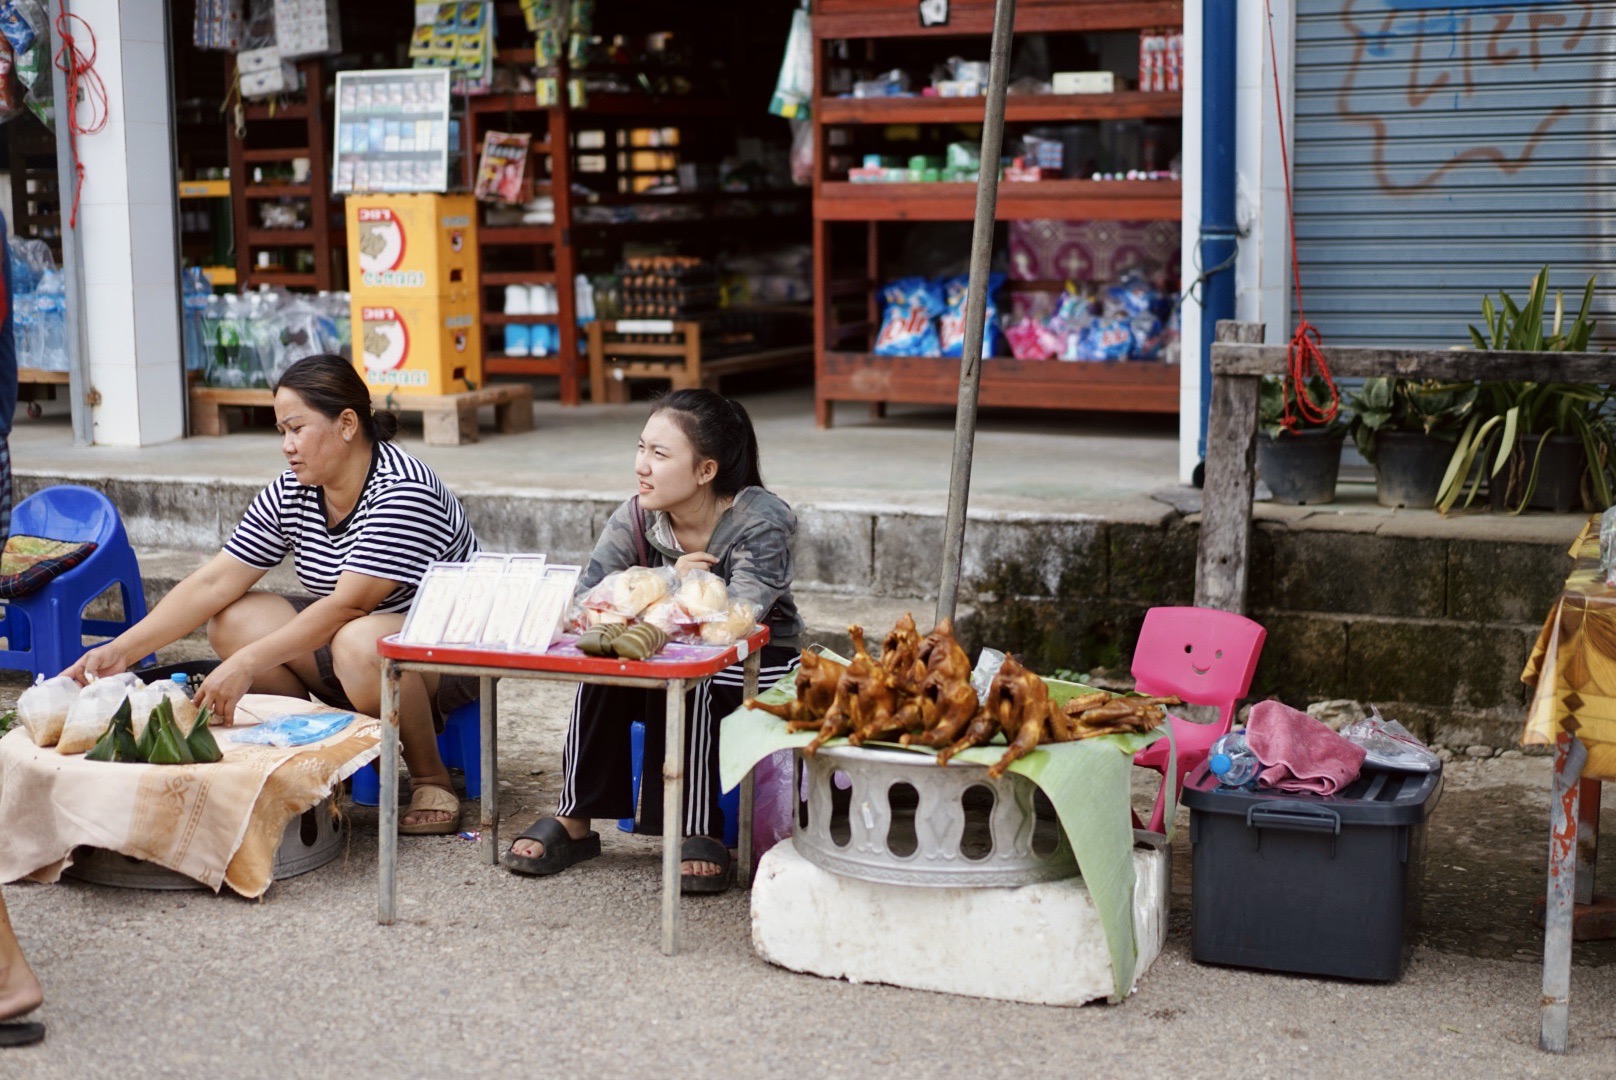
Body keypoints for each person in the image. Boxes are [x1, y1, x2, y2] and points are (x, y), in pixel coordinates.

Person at [63, 354, 480, 834]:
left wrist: (243, 666)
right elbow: (215, 582)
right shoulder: (295, 489)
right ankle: (324, 749)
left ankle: (430, 777)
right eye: (281, 431)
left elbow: (349, 604)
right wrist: (120, 651)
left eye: (297, 429)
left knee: (358, 642)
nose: (287, 446)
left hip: (449, 650)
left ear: (347, 424)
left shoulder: (403, 488)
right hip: (352, 642)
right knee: (232, 621)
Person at [506, 388, 803, 892]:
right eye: (641, 448)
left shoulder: (761, 519)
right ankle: (575, 818)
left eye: (660, 454)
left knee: (699, 675)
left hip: (759, 663)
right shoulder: (639, 516)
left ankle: (698, 827)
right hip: (667, 650)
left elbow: (736, 619)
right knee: (602, 653)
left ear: (706, 471)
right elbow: (586, 603)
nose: (642, 465)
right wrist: (667, 578)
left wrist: (665, 586)